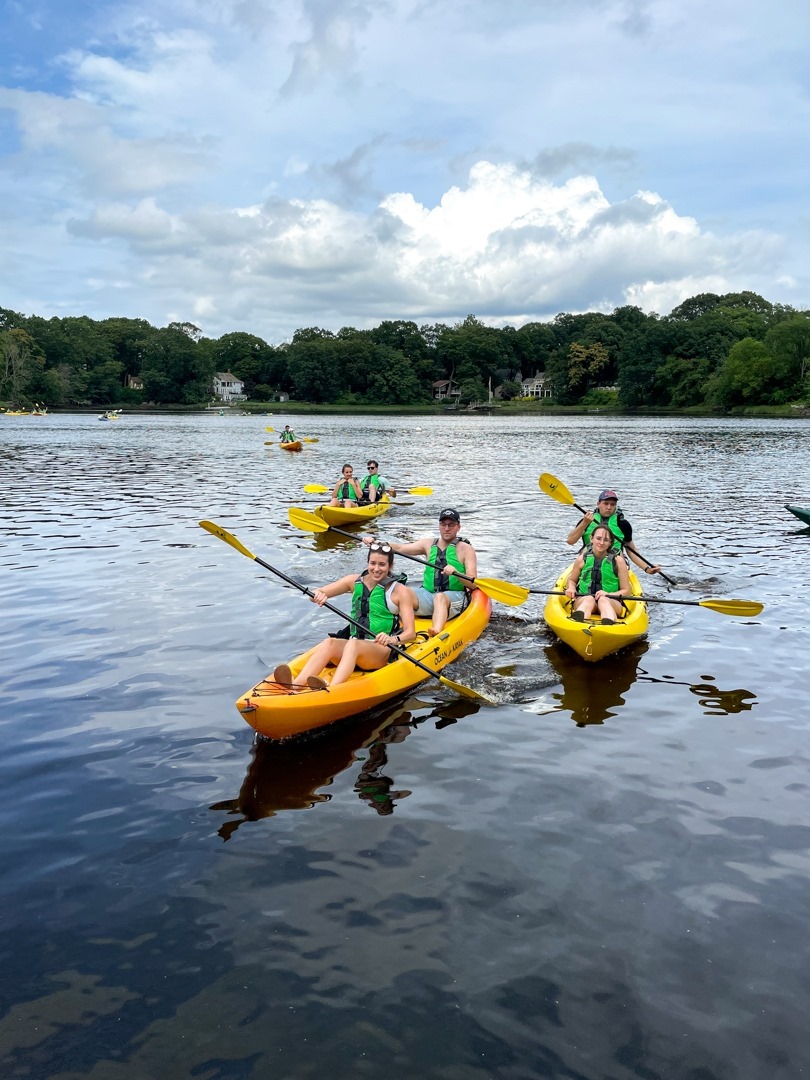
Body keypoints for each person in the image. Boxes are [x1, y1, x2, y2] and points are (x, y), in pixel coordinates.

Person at [273, 543, 416, 691]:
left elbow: (410, 633)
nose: (376, 568)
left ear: (390, 566)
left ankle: (332, 690)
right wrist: (318, 595)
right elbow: (317, 593)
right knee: (329, 643)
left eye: (382, 564)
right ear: (367, 563)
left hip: (380, 650)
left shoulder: (400, 591)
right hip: (353, 647)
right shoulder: (353, 581)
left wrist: (392, 639)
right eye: (372, 563)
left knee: (353, 645)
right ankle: (295, 685)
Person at [365, 508, 476, 635]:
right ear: (439, 526)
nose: (446, 528)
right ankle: (389, 626)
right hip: (428, 595)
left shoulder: (467, 549)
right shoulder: (428, 544)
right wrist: (378, 543)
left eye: (451, 525)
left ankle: (436, 632)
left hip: (454, 597)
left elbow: (473, 583)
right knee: (402, 591)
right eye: (443, 524)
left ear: (458, 527)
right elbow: (401, 548)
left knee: (440, 597)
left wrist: (456, 573)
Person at [566, 488, 661, 577]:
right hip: (589, 560)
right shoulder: (587, 520)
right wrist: (584, 523)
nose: (609, 507)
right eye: (606, 503)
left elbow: (632, 550)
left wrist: (646, 568)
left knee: (618, 557)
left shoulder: (623, 524)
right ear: (598, 504)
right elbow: (570, 541)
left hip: (615, 562)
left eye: (612, 504)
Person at [564, 523, 631, 625]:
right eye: (598, 538)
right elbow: (572, 580)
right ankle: (579, 624)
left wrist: (608, 594)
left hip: (612, 601)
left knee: (603, 600)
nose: (601, 543)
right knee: (589, 599)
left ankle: (609, 623)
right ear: (591, 539)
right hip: (584, 598)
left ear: (610, 543)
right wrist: (571, 588)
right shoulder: (582, 559)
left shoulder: (618, 561)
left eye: (606, 540)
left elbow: (626, 590)